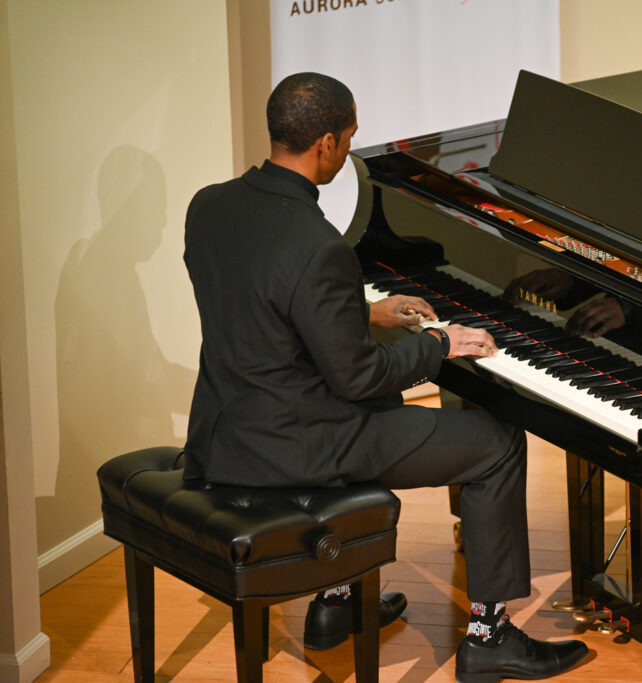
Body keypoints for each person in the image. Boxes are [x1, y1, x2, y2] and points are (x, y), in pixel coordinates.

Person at [182, 72, 589, 681]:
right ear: (326, 143)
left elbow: (257, 305)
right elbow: (361, 377)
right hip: (299, 445)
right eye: (348, 137)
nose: (348, 149)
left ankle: (336, 603)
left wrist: (358, 312)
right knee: (498, 444)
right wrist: (439, 343)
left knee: (388, 415)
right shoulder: (317, 244)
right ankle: (490, 637)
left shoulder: (209, 206)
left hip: (225, 435)